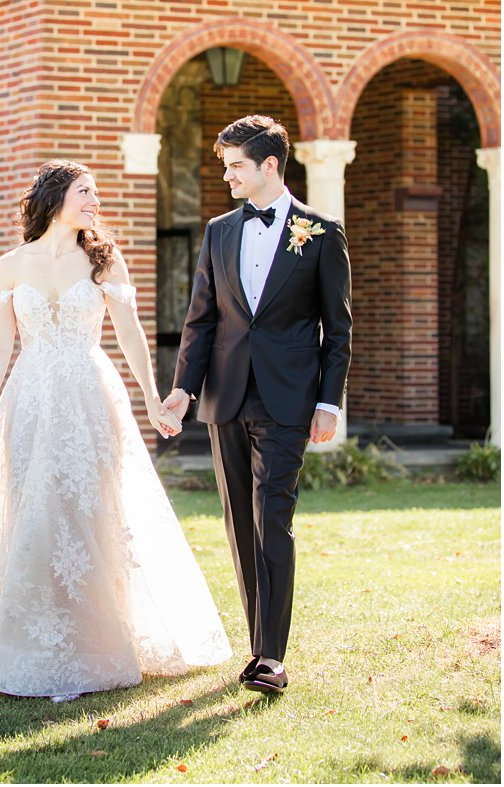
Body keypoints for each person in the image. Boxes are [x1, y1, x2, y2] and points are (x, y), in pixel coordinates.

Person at [0, 160, 231, 699]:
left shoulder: (102, 259)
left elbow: (129, 334)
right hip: (29, 398)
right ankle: (26, 642)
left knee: (91, 511)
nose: (94, 201)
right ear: (56, 197)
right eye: (85, 191)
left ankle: (96, 639)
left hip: (89, 393)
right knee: (32, 511)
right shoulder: (11, 265)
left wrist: (152, 399)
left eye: (95, 193)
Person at [163, 115, 352, 695]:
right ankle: (257, 645)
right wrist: (182, 389)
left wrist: (329, 403)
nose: (228, 177)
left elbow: (338, 328)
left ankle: (271, 656)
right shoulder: (219, 231)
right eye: (225, 167)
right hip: (226, 396)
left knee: (273, 517)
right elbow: (201, 320)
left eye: (236, 166)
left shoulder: (321, 233)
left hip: (288, 399)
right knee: (240, 522)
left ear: (271, 166)